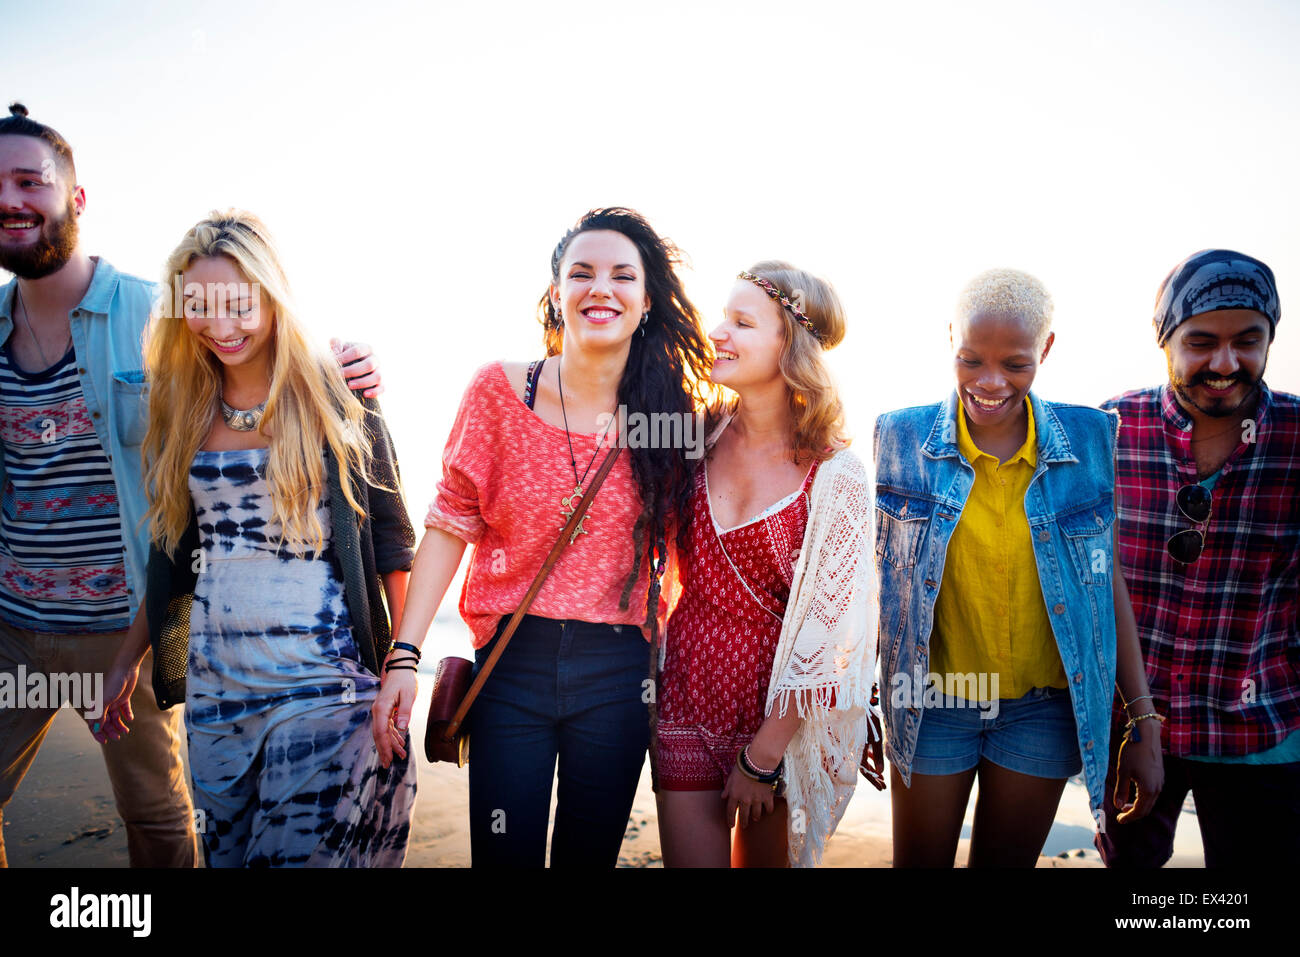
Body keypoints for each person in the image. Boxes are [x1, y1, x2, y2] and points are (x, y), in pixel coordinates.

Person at [0, 104, 382, 867]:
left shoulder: (156, 310)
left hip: (129, 621)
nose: (10, 199)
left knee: (160, 822)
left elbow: (258, 342)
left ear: (75, 199)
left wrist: (341, 366)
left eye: (29, 181)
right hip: (12, 623)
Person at [372, 207, 712, 867]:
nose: (600, 288)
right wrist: (404, 654)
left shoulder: (673, 417)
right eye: (580, 272)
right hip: (510, 663)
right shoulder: (497, 390)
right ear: (557, 293)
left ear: (645, 300)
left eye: (622, 275)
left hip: (619, 673)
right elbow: (448, 523)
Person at [91, 210, 415, 867]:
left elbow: (392, 534)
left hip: (326, 691)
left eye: (238, 304)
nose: (221, 325)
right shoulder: (183, 403)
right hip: (216, 698)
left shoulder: (338, 394)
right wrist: (129, 658)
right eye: (202, 306)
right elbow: (176, 556)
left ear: (272, 295)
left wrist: (401, 665)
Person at [874, 268, 1163, 867]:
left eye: (1015, 364)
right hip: (932, 705)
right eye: (971, 359)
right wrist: (857, 703)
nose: (990, 381)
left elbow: (1103, 583)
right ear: (950, 337)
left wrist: (1142, 720)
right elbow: (873, 579)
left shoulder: (1088, 437)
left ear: (1046, 351)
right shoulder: (898, 435)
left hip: (1041, 708)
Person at [654, 262, 876, 868]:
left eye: (742, 321)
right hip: (686, 690)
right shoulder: (690, 438)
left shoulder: (837, 476)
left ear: (790, 346)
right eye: (722, 316)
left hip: (781, 716)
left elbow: (830, 635)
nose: (718, 332)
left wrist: (764, 756)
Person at [1097, 249, 1300, 867]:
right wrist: (1123, 724)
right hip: (1132, 732)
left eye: (1248, 341)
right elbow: (1088, 588)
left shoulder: (1295, 437)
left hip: (1264, 737)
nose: (1225, 362)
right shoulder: (1109, 429)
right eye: (1201, 341)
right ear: (1165, 341)